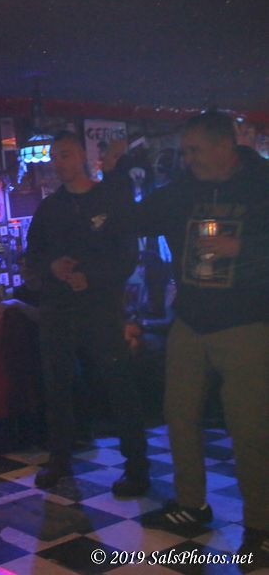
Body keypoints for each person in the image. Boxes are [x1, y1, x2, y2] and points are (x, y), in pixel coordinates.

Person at [137, 112, 269, 563]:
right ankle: (191, 506)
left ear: (224, 146)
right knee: (179, 416)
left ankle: (261, 527)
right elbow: (135, 218)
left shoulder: (262, 184)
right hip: (190, 321)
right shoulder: (184, 189)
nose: (187, 159)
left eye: (194, 150)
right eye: (185, 150)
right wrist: (119, 175)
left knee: (250, 428)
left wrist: (244, 247)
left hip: (248, 324)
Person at [24, 131, 150, 496]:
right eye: (54, 157)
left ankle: (137, 466)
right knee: (57, 387)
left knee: (118, 384)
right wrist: (52, 267)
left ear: (82, 155)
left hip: (99, 308)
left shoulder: (109, 198)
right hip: (58, 309)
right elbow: (33, 255)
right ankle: (60, 459)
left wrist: (90, 276)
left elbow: (127, 255)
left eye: (64, 154)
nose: (58, 163)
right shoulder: (50, 208)